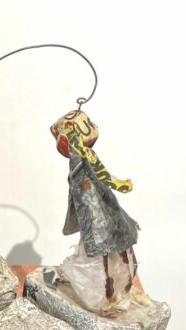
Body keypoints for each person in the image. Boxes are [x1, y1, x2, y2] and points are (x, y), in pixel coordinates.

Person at [50, 110, 144, 315]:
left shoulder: (84, 154)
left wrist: (120, 185)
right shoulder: (80, 155)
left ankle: (110, 294)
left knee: (104, 244)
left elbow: (103, 175)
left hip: (98, 205)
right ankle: (107, 293)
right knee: (101, 245)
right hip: (91, 204)